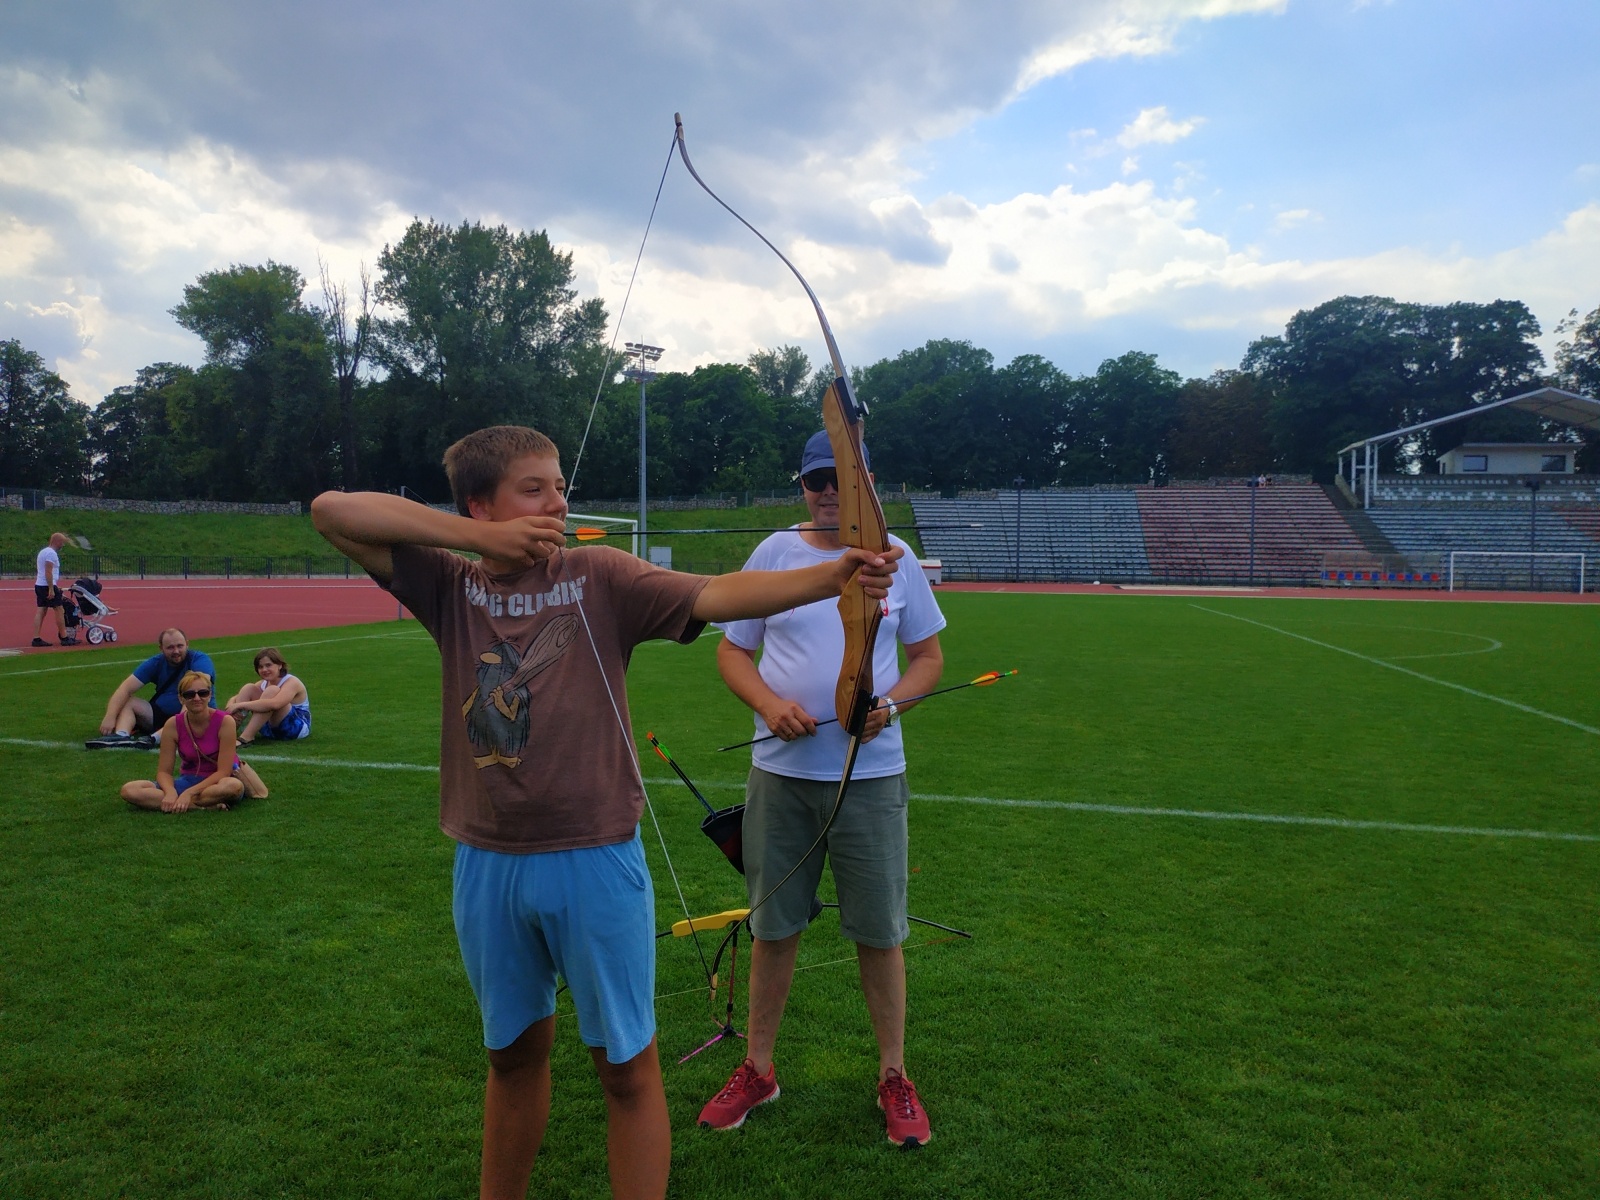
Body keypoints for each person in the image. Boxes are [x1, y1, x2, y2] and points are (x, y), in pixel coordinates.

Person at [310, 424, 901, 1200]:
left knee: (626, 1070)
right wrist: (469, 538)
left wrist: (835, 575)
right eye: (535, 489)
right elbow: (330, 509)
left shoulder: (597, 575)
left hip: (595, 858)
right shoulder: (449, 585)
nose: (558, 500)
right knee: (510, 1059)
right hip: (487, 862)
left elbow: (717, 593)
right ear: (480, 506)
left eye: (560, 485)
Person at [697, 430, 946, 1148]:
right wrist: (771, 706)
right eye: (815, 482)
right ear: (802, 486)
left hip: (870, 777)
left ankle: (894, 1075)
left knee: (879, 931)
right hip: (783, 774)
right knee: (773, 926)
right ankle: (758, 1067)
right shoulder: (775, 553)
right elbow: (731, 647)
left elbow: (928, 658)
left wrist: (891, 705)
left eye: (841, 479)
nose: (828, 493)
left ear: (865, 480)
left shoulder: (894, 558)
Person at [119, 670, 245, 812]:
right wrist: (170, 792)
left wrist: (189, 793)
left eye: (202, 693)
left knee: (233, 786)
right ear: (181, 699)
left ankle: (184, 802)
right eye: (189, 695)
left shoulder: (225, 721)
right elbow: (164, 772)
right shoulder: (173, 724)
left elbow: (223, 771)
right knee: (129, 790)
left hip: (216, 783)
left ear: (210, 695)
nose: (197, 698)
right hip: (186, 780)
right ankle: (200, 806)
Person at [89, 628, 217, 749]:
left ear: (187, 644)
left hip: (194, 715)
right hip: (162, 716)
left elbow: (198, 693)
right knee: (129, 701)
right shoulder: (156, 662)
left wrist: (175, 723)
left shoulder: (200, 659)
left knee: (193, 703)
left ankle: (153, 739)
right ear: (161, 648)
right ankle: (121, 736)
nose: (176, 651)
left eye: (180, 646)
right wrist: (110, 717)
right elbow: (125, 689)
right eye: (170, 647)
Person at [226, 647, 311, 745]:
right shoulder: (263, 683)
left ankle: (246, 738)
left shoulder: (292, 682)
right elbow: (236, 697)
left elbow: (275, 704)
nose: (264, 670)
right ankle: (228, 732)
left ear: (280, 665)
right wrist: (231, 705)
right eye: (260, 667)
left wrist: (240, 705)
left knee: (272, 691)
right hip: (269, 730)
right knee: (248, 688)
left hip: (294, 729)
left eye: (268, 665)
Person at [31, 532, 72, 647]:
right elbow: (48, 571)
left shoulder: (43, 551)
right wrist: (51, 588)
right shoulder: (51, 554)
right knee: (59, 609)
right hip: (46, 585)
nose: (62, 545)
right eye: (62, 542)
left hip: (39, 584)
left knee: (41, 610)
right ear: (57, 541)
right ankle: (64, 637)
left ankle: (36, 638)